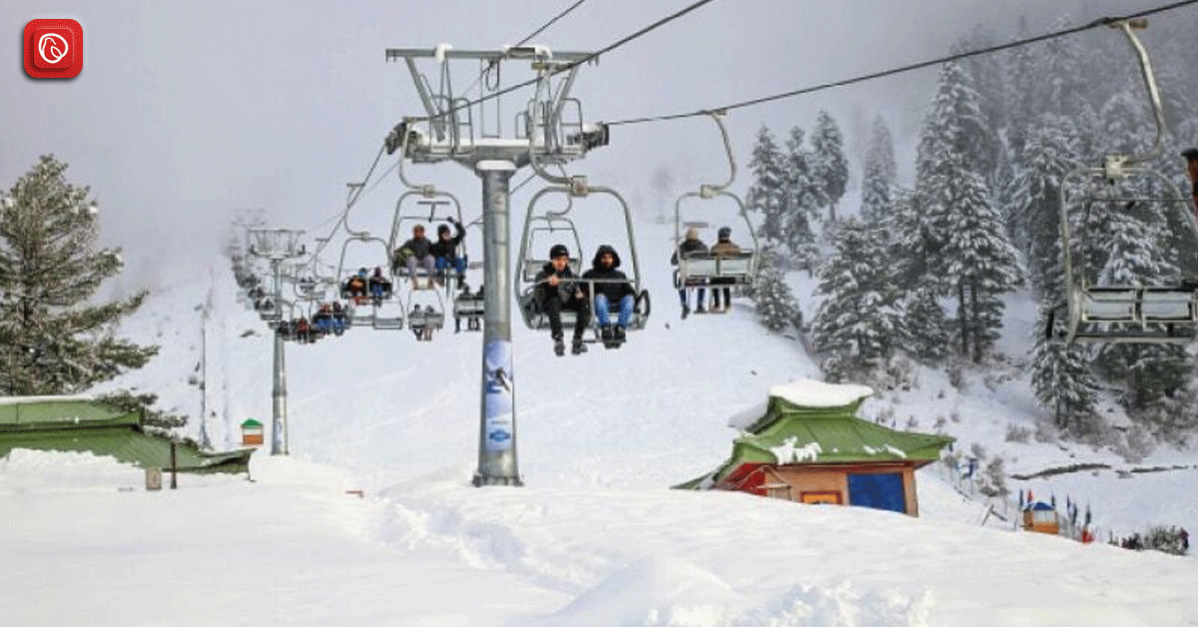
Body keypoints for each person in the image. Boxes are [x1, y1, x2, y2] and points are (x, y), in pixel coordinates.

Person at [533, 244, 590, 356]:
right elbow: (539, 292)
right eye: (558, 259)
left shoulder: (571, 276)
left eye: (564, 260)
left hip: (568, 301)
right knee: (553, 301)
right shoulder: (544, 274)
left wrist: (580, 294)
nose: (561, 263)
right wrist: (549, 284)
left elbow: (581, 288)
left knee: (585, 303)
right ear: (552, 260)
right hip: (552, 302)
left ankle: (578, 338)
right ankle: (558, 338)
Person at [582, 244, 637, 348]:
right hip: (601, 304)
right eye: (604, 258)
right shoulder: (591, 274)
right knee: (600, 297)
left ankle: (620, 328)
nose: (607, 260)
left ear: (614, 259)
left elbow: (628, 289)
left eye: (609, 258)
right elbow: (582, 288)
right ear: (599, 259)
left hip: (618, 302)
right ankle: (606, 328)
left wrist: (634, 297)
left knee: (629, 299)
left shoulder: (620, 275)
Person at [671, 227, 708, 319]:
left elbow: (673, 261)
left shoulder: (681, 248)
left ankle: (684, 305)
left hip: (686, 279)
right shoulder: (703, 247)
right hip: (699, 278)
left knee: (681, 282)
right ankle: (700, 304)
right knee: (703, 280)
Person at [394, 224, 437, 290]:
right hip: (416, 260)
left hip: (424, 259)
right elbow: (402, 248)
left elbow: (433, 250)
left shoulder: (427, 242)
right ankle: (415, 282)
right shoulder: (410, 242)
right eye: (415, 232)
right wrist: (396, 251)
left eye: (419, 232)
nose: (417, 234)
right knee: (411, 259)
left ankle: (430, 280)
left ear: (423, 232)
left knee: (430, 258)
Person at [709, 226, 741, 313]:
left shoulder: (714, 249)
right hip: (731, 278)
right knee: (726, 281)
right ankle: (727, 304)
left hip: (717, 279)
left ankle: (717, 304)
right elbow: (738, 251)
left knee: (716, 279)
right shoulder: (735, 248)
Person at [431, 217, 468, 284]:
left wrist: (454, 222)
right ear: (440, 236)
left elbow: (462, 233)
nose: (447, 235)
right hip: (443, 262)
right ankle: (440, 275)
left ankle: (460, 277)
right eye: (445, 234)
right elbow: (435, 254)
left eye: (448, 233)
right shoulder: (436, 245)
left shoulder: (453, 242)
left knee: (460, 261)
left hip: (452, 261)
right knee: (440, 260)